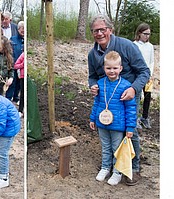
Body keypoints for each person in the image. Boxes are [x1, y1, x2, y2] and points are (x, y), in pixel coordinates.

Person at [88, 14, 150, 186]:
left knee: (130, 131)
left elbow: (144, 71)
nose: (99, 33)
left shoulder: (126, 46)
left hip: (128, 92)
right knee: (110, 135)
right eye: (95, 31)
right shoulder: (92, 54)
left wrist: (133, 88)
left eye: (103, 29)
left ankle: (133, 168)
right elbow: (92, 77)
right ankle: (108, 166)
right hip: (107, 96)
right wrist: (93, 86)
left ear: (110, 29)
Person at [90, 51, 137, 185]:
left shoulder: (126, 86)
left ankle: (117, 172)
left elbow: (131, 109)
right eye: (108, 68)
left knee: (117, 149)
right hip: (101, 123)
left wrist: (130, 127)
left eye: (115, 68)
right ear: (104, 68)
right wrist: (93, 118)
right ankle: (105, 168)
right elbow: (97, 103)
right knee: (105, 147)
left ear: (120, 68)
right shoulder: (100, 83)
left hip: (117, 125)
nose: (112, 71)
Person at [133, 23, 155, 129]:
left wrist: (149, 74)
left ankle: (144, 117)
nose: (147, 36)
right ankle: (135, 118)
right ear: (139, 33)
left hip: (147, 75)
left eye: (149, 34)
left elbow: (151, 62)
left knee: (147, 96)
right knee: (136, 96)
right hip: (137, 75)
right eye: (145, 33)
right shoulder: (135, 45)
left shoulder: (150, 46)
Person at [5, 21, 25, 104]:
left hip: (22, 67)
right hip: (14, 65)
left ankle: (16, 98)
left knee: (19, 84)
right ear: (18, 29)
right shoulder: (12, 39)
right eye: (22, 29)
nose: (23, 31)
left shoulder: (25, 40)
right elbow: (8, 52)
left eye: (25, 29)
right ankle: (8, 98)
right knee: (12, 82)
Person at [14, 52, 24, 117]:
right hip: (22, 77)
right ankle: (20, 110)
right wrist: (22, 65)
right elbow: (15, 65)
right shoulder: (23, 55)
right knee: (22, 94)